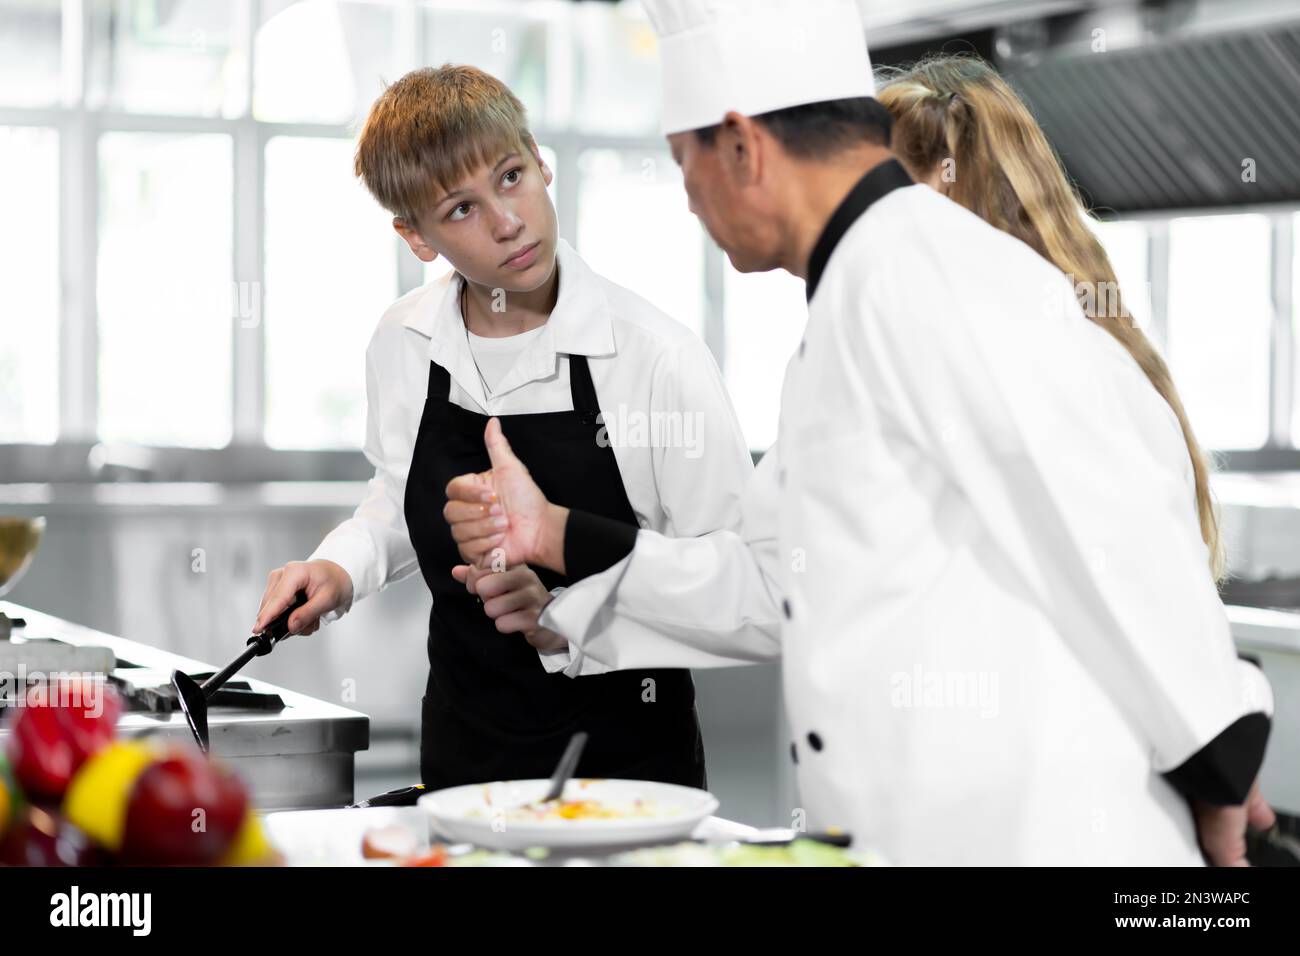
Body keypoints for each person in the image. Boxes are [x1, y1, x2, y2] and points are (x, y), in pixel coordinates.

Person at [441, 0, 1274, 864]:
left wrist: (1218, 760)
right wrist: (553, 534)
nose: (687, 199)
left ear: (742, 146)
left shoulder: (924, 272)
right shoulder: (854, 297)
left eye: (683, 161)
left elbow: (1110, 516)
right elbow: (773, 580)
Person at [252, 64, 753, 791]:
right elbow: (400, 493)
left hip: (629, 783)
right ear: (415, 236)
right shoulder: (405, 339)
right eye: (461, 209)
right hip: (464, 763)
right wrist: (340, 568)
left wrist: (567, 620)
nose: (507, 222)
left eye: (511, 177)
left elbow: (738, 579)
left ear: (541, 163)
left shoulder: (657, 358)